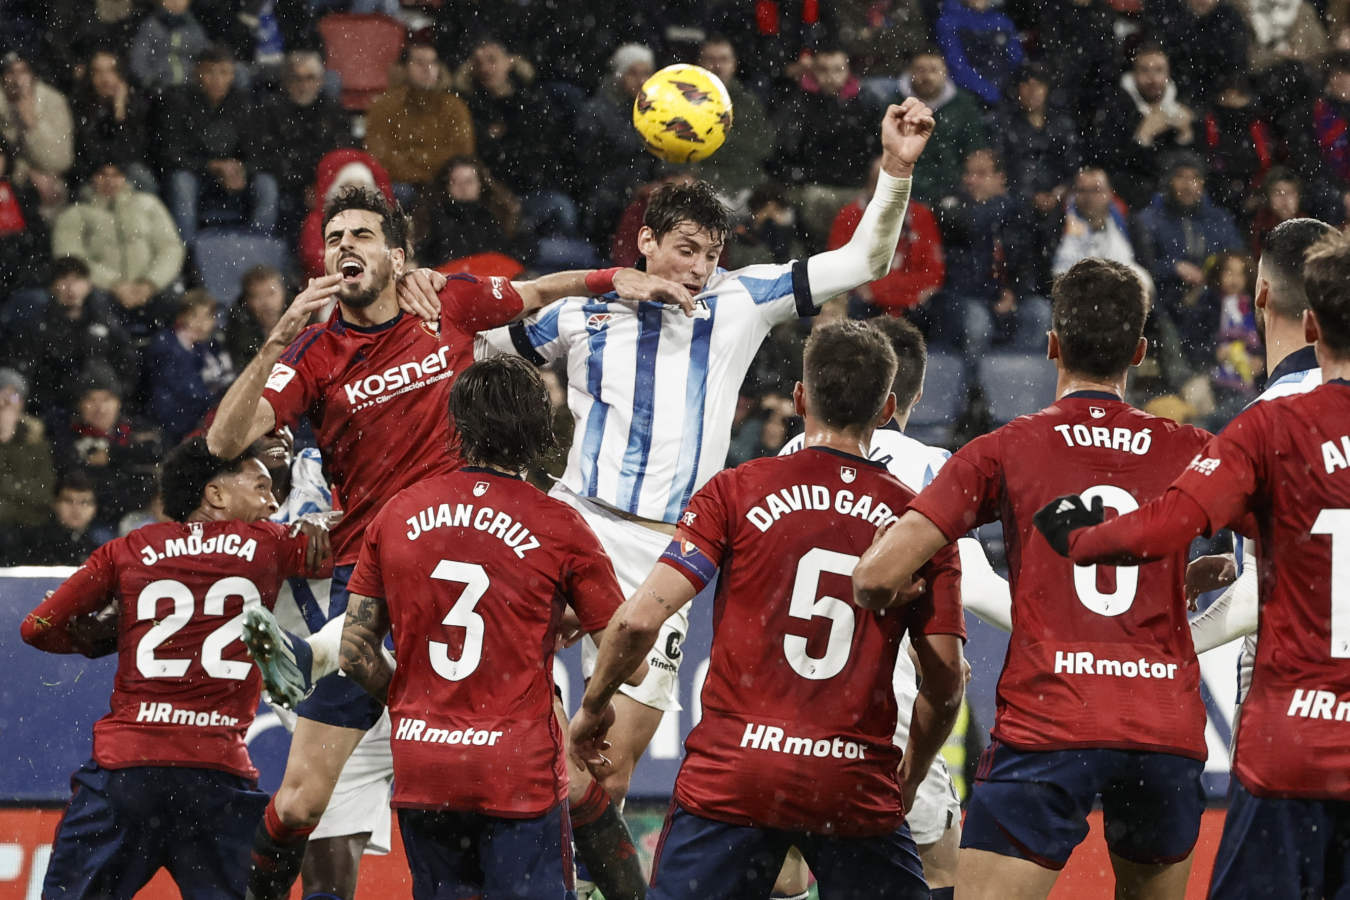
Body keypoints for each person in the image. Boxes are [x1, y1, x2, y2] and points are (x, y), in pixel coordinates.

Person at [206, 185, 691, 900]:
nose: (345, 245)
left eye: (362, 234)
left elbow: (532, 292)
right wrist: (278, 337)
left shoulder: (448, 302)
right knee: (302, 799)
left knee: (575, 775)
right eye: (335, 235)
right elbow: (224, 439)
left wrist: (609, 278)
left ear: (398, 257)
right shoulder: (314, 351)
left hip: (477, 557)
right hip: (374, 573)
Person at [472, 101, 936, 827]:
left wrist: (897, 172)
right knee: (501, 732)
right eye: (686, 249)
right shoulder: (584, 313)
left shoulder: (742, 299)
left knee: (606, 776)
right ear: (647, 242)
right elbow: (469, 343)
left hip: (664, 552)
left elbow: (865, 261)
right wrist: (588, 281)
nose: (699, 267)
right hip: (571, 523)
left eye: (712, 253)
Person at [851, 258, 1213, 898]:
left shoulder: (1005, 448)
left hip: (1052, 724)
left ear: (1052, 346)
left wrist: (895, 590)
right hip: (1160, 725)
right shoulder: (1188, 449)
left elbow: (877, 575)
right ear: (1139, 351)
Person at [570, 320, 967, 898]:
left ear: (802, 398)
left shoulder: (735, 490)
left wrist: (593, 707)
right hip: (850, 778)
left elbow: (637, 620)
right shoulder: (918, 523)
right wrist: (909, 772)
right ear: (887, 407)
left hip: (735, 775)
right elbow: (947, 679)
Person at [1034, 228, 1350, 899]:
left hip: (1294, 733)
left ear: (1291, 310)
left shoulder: (1269, 424)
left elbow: (1172, 520)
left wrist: (1081, 536)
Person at [338, 355, 633, 899]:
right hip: (514, 769)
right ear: (538, 427)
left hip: (424, 762)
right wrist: (596, 704)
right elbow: (626, 642)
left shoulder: (398, 512)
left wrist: (410, 703)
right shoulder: (559, 524)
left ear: (458, 425)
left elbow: (354, 652)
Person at [20, 436, 329, 899]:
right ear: (216, 494)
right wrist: (320, 523)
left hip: (124, 776)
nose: (273, 502)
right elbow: (363, 542)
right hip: (217, 777)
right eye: (262, 487)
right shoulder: (271, 544)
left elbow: (36, 627)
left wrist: (100, 639)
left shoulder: (126, 550)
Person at [777, 316, 1012, 897]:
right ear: (907, 395)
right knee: (935, 864)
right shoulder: (932, 467)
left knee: (783, 867)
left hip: (786, 690)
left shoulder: (788, 453)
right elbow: (979, 590)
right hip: (881, 694)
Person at [51, 159, 185, 309]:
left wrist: (150, 283)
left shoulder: (149, 204)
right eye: (102, 175)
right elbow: (70, 257)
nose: (110, 181)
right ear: (92, 178)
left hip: (149, 286)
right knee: (92, 298)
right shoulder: (74, 213)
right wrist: (114, 284)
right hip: (103, 289)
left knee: (174, 293)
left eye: (116, 175)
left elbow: (170, 247)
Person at [363, 41, 475, 204]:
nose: (427, 68)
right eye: (419, 63)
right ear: (404, 68)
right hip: (402, 187)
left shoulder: (455, 107)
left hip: (446, 185)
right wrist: (425, 168)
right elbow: (378, 157)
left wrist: (413, 159)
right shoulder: (383, 107)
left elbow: (462, 153)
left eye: (432, 62)